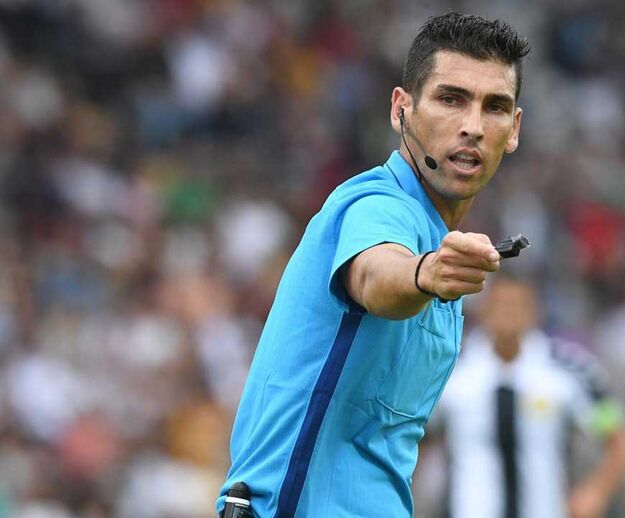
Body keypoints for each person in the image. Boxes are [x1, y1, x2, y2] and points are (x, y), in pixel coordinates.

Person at [215, 13, 530, 518]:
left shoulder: (437, 237)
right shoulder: (376, 205)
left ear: (513, 130)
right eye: (451, 99)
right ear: (401, 109)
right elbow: (377, 275)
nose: (472, 126)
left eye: (494, 106)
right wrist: (424, 274)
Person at [425, 276, 625, 518]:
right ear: (484, 309)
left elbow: (617, 436)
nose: (508, 314)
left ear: (534, 310)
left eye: (516, 306)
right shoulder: (451, 369)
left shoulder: (570, 369)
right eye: (501, 305)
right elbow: (416, 437)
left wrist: (595, 491)